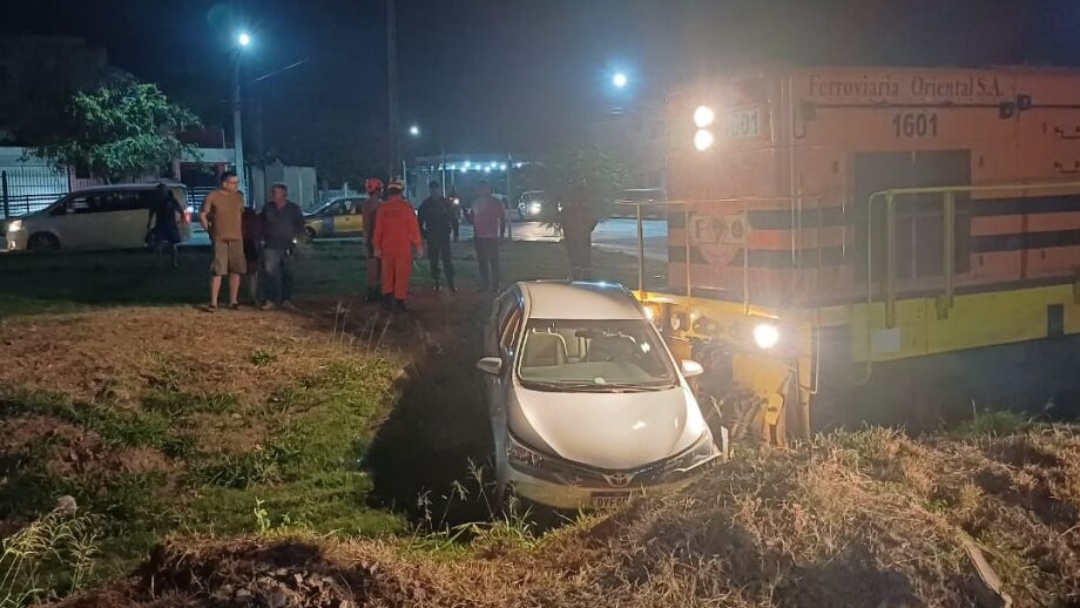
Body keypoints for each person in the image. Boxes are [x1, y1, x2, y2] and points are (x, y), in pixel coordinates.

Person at [199, 171, 246, 311]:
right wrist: (209, 230)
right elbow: (203, 215)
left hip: (236, 237)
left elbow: (240, 214)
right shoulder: (213, 196)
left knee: (236, 269)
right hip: (219, 238)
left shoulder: (238, 197)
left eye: (237, 183)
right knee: (218, 270)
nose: (236, 185)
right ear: (224, 183)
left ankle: (233, 301)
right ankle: (213, 302)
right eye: (233, 183)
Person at [373, 178, 422, 311]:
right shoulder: (406, 208)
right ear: (401, 192)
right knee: (402, 275)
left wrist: (377, 247)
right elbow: (413, 229)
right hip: (402, 249)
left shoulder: (383, 208)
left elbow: (378, 230)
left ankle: (387, 300)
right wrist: (418, 246)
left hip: (386, 248)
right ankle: (400, 301)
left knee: (387, 274)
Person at [260, 183, 306, 311]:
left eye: (275, 193)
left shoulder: (293, 209)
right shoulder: (267, 208)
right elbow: (261, 224)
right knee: (270, 273)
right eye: (272, 193)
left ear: (283, 195)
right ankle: (271, 299)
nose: (272, 195)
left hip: (288, 246)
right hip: (271, 246)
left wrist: (298, 242)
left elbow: (300, 226)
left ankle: (286, 299)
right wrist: (261, 239)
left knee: (288, 273)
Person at [417, 179, 459, 291]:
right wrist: (423, 235)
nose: (434, 192)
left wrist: (456, 233)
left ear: (438, 190)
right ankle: (437, 282)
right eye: (432, 190)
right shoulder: (426, 204)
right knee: (434, 261)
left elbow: (453, 219)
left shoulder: (445, 203)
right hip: (432, 235)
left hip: (443, 235)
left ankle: (450, 283)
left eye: (435, 190)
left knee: (447, 260)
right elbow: (419, 222)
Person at [471, 180, 508, 292]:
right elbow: (473, 219)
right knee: (482, 262)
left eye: (484, 188)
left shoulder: (496, 203)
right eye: (480, 189)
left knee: (493, 261)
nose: (482, 191)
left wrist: (501, 235)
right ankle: (485, 284)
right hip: (479, 236)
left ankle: (495, 285)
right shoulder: (475, 203)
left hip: (491, 236)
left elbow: (502, 219)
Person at [560, 182, 600, 281]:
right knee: (583, 257)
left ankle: (578, 276)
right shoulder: (585, 206)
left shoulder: (570, 206)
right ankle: (583, 277)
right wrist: (588, 228)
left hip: (575, 235)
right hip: (581, 235)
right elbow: (594, 218)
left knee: (576, 257)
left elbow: (564, 219)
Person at [147, 183, 185, 267]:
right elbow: (151, 212)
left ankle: (174, 262)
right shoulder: (156, 201)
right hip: (160, 224)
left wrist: (181, 219)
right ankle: (157, 262)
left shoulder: (171, 200)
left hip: (171, 225)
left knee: (173, 245)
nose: (161, 192)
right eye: (159, 191)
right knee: (158, 244)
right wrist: (149, 222)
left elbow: (180, 210)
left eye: (162, 190)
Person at [361, 178, 384, 302]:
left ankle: (372, 292)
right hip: (380, 240)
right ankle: (376, 291)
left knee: (373, 266)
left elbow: (366, 225)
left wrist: (365, 241)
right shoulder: (381, 205)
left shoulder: (367, 205)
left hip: (372, 239)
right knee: (378, 266)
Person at [241, 205, 262, 306]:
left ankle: (252, 296)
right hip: (242, 243)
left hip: (249, 243)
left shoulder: (249, 213)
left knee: (252, 272)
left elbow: (257, 230)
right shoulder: (249, 213)